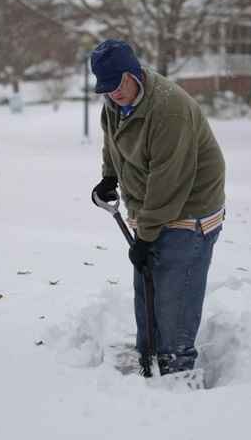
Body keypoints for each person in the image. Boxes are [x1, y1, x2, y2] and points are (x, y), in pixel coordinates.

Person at [89, 39, 225, 379]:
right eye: (105, 89)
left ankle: (178, 370)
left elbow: (169, 182)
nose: (113, 94)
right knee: (147, 285)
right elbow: (113, 141)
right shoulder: (114, 102)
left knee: (173, 293)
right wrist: (109, 177)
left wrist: (146, 238)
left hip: (191, 208)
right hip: (153, 206)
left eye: (118, 85)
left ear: (133, 73)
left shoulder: (169, 110)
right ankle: (148, 357)